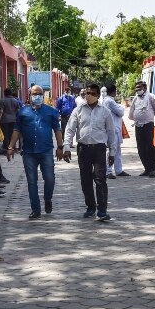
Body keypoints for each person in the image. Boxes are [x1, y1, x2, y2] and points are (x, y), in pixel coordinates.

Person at [7, 85, 64, 219]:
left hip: (46, 151)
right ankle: (35, 209)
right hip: (29, 152)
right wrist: (10, 147)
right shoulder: (23, 112)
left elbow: (57, 130)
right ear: (29, 95)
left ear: (43, 95)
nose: (36, 96)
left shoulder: (51, 112)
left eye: (39, 93)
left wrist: (60, 147)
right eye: (34, 94)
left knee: (50, 179)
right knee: (32, 181)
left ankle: (48, 199)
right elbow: (17, 130)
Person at [63, 84, 115, 220]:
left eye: (92, 93)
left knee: (100, 179)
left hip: (99, 149)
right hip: (83, 149)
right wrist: (67, 147)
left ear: (98, 95)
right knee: (85, 180)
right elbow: (70, 129)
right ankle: (90, 207)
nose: (88, 96)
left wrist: (113, 152)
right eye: (87, 93)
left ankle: (102, 210)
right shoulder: (78, 110)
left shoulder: (105, 112)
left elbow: (111, 132)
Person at [128, 80, 155, 177]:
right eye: (136, 88)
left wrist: (147, 116)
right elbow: (131, 112)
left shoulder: (151, 97)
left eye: (140, 88)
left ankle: (153, 169)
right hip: (138, 125)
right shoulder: (135, 99)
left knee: (149, 147)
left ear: (144, 88)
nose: (138, 90)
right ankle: (147, 168)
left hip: (148, 125)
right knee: (141, 148)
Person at [102, 84, 129, 178]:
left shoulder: (107, 100)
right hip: (112, 129)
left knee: (117, 150)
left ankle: (118, 170)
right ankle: (108, 171)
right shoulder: (109, 101)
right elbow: (121, 112)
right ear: (113, 91)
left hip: (115, 128)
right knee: (111, 150)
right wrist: (121, 107)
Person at [0, 88, 21, 152]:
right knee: (12, 134)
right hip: (13, 120)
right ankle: (12, 148)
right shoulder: (15, 101)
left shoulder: (2, 101)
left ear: (4, 93)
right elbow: (18, 111)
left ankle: (7, 149)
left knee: (5, 135)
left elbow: (1, 111)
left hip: (4, 120)